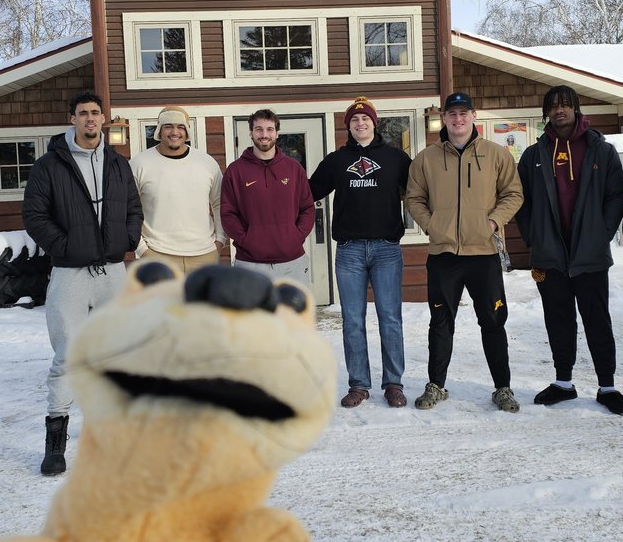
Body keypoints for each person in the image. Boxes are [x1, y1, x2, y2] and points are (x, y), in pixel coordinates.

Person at [22, 91, 143, 475]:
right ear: (71, 119)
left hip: (111, 272)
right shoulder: (48, 166)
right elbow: (34, 215)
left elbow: (134, 208)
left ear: (103, 118)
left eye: (95, 113)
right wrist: (66, 247)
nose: (90, 119)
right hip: (69, 274)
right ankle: (55, 442)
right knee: (67, 356)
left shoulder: (117, 163)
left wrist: (125, 240)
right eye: (83, 114)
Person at [516, 85, 623, 416]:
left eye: (565, 105)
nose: (559, 110)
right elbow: (520, 201)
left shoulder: (600, 150)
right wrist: (534, 239)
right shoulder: (534, 155)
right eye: (552, 106)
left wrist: (602, 234)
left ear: (576, 109)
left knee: (597, 319)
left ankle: (607, 386)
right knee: (558, 320)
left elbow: (616, 196)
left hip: (590, 254)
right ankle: (563, 383)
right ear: (546, 113)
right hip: (550, 254)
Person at [405, 91, 524, 413]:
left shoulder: (496, 155)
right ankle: (436, 384)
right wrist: (432, 225)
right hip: (443, 254)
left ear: (474, 116)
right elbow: (413, 198)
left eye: (463, 113)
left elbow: (513, 194)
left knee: (493, 320)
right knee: (441, 321)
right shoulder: (426, 158)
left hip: (483, 253)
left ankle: (502, 387)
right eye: (451, 114)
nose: (457, 119)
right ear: (443, 119)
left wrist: (493, 222)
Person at [309, 97, 412, 408]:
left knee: (390, 318)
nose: (360, 124)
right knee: (353, 320)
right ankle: (359, 384)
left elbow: (419, 193)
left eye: (365, 119)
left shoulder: (396, 159)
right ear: (348, 127)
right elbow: (306, 193)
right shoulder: (336, 161)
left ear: (374, 123)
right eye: (354, 121)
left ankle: (393, 383)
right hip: (350, 251)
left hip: (386, 250)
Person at [220, 108, 315, 287]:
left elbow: (307, 208)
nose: (264, 134)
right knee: (252, 315)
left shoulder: (294, 169)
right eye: (259, 129)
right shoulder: (236, 170)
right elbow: (227, 212)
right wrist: (247, 240)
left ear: (277, 133)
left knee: (293, 315)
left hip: (292, 262)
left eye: (269, 129)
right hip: (250, 263)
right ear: (251, 132)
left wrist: (295, 236)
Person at [130, 105, 225, 273]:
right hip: (157, 254)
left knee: (201, 301)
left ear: (187, 131)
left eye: (180, 127)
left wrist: (220, 241)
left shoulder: (206, 163)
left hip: (204, 255)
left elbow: (219, 203)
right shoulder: (139, 164)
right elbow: (127, 208)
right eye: (168, 126)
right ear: (159, 130)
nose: (175, 132)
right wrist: (142, 250)